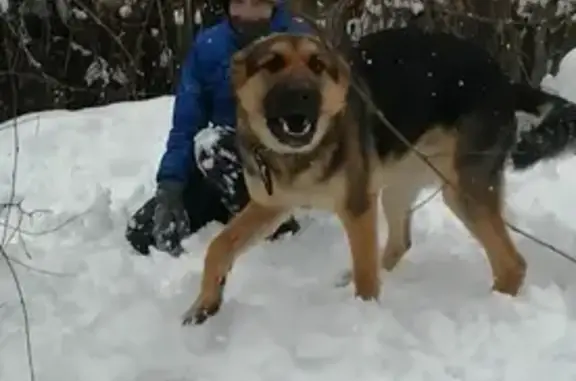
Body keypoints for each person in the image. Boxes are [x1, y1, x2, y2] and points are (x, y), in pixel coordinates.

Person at [125, 0, 313, 256]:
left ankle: (274, 223)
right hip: (226, 167)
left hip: (285, 168)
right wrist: (170, 187)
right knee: (142, 231)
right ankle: (235, 208)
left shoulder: (302, 42)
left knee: (211, 146)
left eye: (256, 4)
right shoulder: (208, 48)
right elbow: (186, 124)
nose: (246, 14)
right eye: (238, 3)